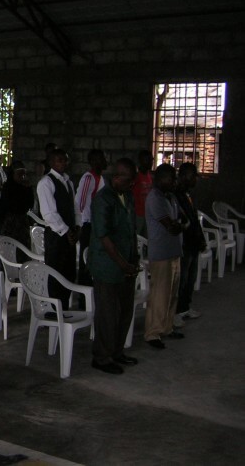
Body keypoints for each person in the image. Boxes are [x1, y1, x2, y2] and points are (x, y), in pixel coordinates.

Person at [88, 158, 140, 375]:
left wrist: (133, 259)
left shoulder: (127, 195)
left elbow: (130, 229)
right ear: (116, 177)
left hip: (126, 264)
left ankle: (117, 351)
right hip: (108, 266)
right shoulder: (103, 199)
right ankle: (102, 357)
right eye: (128, 180)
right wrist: (123, 264)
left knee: (125, 311)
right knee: (108, 314)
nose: (132, 185)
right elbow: (104, 237)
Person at [144, 164, 185, 350]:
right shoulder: (155, 198)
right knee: (159, 295)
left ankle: (167, 327)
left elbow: (183, 220)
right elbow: (172, 226)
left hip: (174, 251)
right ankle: (153, 332)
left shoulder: (171, 197)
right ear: (160, 179)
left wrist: (179, 225)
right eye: (171, 178)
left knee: (172, 294)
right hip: (160, 253)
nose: (174, 181)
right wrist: (179, 225)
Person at [37, 148, 80, 310]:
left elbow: (75, 208)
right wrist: (66, 231)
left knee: (68, 272)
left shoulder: (68, 181)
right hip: (56, 235)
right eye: (59, 160)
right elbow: (49, 213)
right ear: (51, 163)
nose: (63, 163)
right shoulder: (46, 183)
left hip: (69, 233)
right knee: (56, 271)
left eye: (65, 160)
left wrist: (77, 227)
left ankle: (64, 307)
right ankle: (54, 310)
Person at [174, 162, 205, 326]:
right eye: (193, 176)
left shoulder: (187, 194)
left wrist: (200, 238)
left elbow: (193, 218)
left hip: (193, 242)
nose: (195, 179)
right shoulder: (176, 196)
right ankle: (176, 311)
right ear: (184, 176)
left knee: (190, 278)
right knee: (182, 278)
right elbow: (183, 220)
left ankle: (185, 307)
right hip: (184, 243)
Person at [75, 149, 107, 285]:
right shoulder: (89, 178)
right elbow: (80, 202)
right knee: (85, 255)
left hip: (95, 223)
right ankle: (84, 286)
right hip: (87, 223)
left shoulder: (101, 178)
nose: (104, 161)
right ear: (93, 162)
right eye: (101, 158)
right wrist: (81, 222)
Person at [0, 161, 35, 252]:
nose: (22, 177)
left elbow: (30, 204)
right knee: (10, 248)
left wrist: (28, 189)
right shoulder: (8, 187)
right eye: (19, 174)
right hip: (10, 222)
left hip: (22, 222)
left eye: (24, 174)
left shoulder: (25, 187)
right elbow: (7, 207)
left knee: (23, 248)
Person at [133, 150, 153, 237]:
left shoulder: (148, 175)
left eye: (151, 160)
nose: (150, 162)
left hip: (147, 213)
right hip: (137, 213)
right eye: (147, 160)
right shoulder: (136, 176)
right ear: (141, 161)